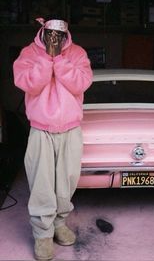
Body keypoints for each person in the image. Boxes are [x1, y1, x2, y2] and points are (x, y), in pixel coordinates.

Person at [13, 17, 93, 260]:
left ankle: (59, 224)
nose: (54, 38)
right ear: (43, 31)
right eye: (50, 34)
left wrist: (59, 58)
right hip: (41, 129)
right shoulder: (28, 52)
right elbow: (28, 84)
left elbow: (81, 83)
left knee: (66, 182)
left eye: (59, 35)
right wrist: (47, 57)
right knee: (42, 184)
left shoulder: (77, 53)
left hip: (70, 129)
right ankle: (42, 234)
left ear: (67, 33)